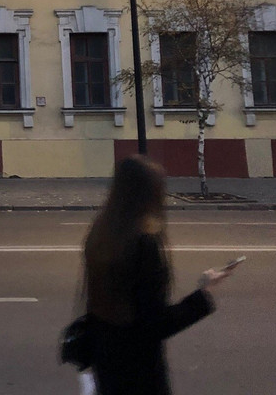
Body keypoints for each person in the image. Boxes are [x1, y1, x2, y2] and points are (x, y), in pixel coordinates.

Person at [82, 155, 234, 395]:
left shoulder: (102, 232)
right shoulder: (144, 243)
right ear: (150, 195)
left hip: (106, 363)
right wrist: (204, 293)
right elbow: (153, 324)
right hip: (139, 373)